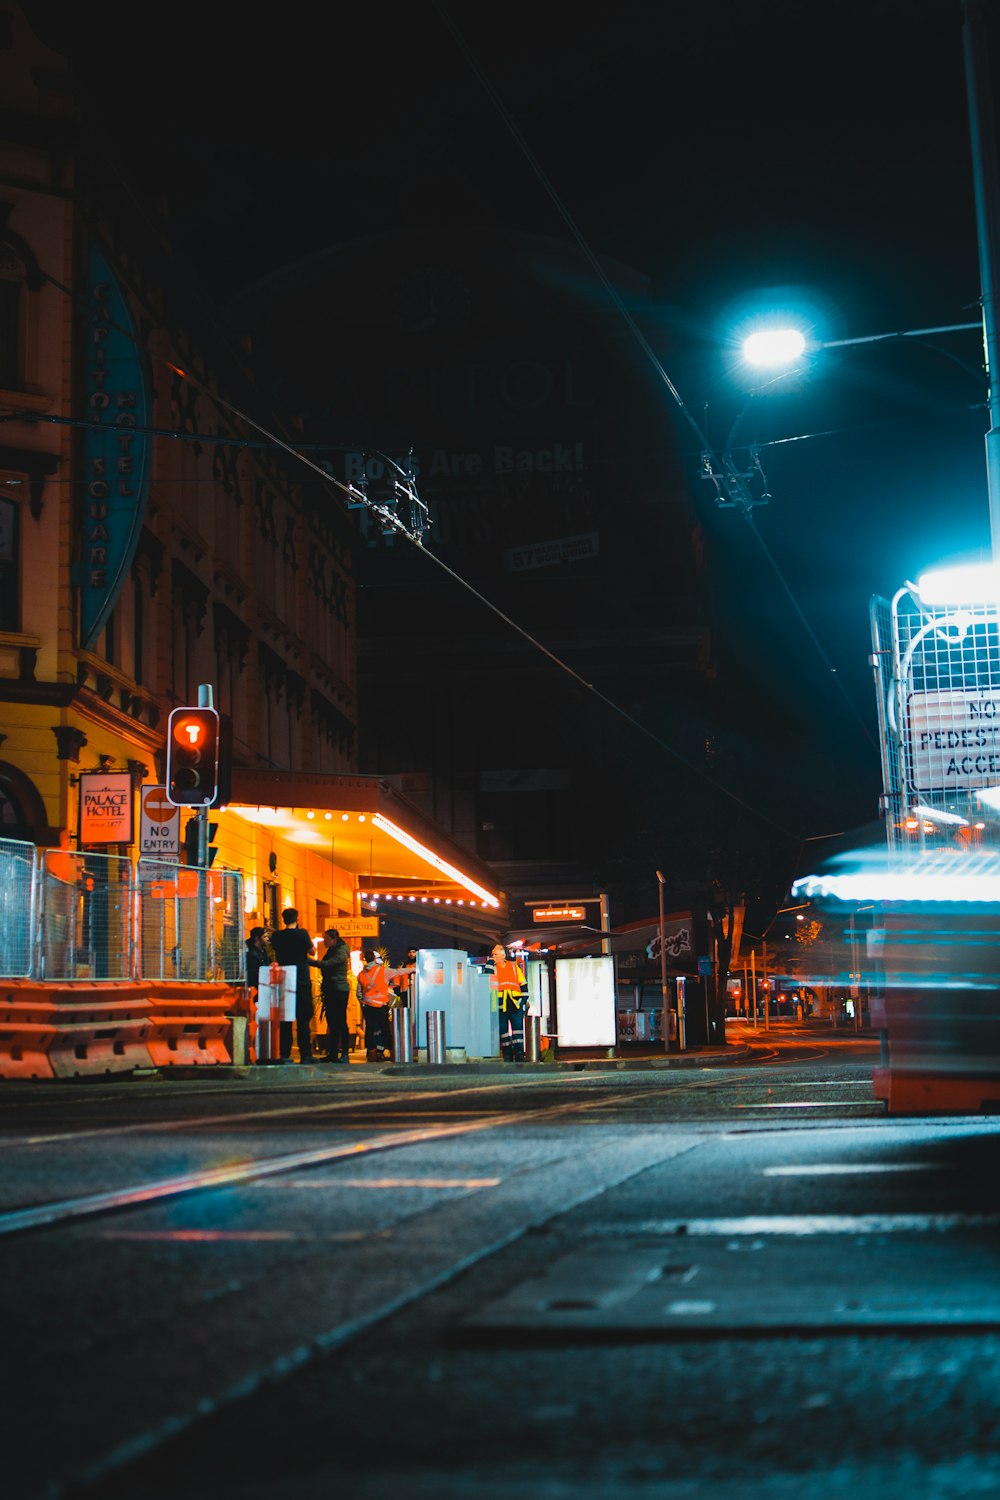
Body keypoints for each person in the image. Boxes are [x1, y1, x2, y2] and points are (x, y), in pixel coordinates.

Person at [268, 907, 318, 1063]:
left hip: (284, 977)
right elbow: (312, 952)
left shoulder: (277, 936)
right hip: (301, 978)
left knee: (285, 1018)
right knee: (303, 1018)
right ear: (297, 919)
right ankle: (305, 1054)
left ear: (283, 919)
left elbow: (273, 949)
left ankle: (284, 1053)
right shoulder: (302, 934)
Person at [356, 948, 404, 1061]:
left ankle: (372, 1053)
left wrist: (363, 1002)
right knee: (385, 1028)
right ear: (374, 958)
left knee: (369, 1029)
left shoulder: (361, 974)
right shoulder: (383, 970)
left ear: (365, 959)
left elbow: (358, 993)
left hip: (368, 1006)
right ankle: (392, 1052)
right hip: (381, 1005)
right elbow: (397, 974)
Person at [317, 928, 352, 1063]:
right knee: (332, 1021)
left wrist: (309, 962)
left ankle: (344, 1053)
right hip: (331, 989)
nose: (324, 941)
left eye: (326, 939)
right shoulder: (332, 950)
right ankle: (333, 1053)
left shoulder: (341, 951)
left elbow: (328, 964)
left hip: (339, 990)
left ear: (334, 939)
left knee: (340, 1021)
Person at [488, 942, 527, 1062]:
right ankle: (507, 1054)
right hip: (500, 1003)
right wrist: (490, 962)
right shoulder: (492, 967)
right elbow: (486, 977)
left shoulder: (513, 966)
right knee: (503, 1030)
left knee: (518, 1029)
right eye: (492, 954)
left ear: (503, 955)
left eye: (495, 954)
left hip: (515, 1002)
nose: (493, 956)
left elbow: (523, 983)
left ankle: (519, 1053)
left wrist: (523, 1000)